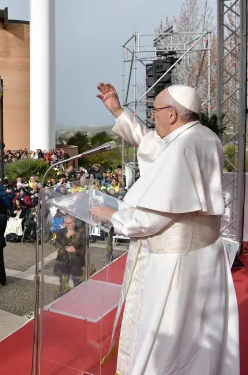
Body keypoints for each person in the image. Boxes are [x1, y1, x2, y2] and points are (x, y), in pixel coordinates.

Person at [92, 82, 239, 374]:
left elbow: (153, 217)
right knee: (198, 335)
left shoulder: (183, 146)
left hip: (173, 264)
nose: (153, 116)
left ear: (172, 114)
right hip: (202, 256)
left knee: (170, 341)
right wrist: (119, 112)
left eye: (155, 111)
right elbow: (152, 146)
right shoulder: (202, 137)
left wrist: (114, 216)